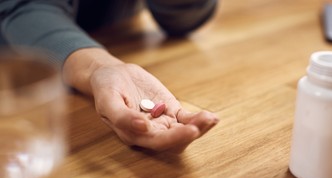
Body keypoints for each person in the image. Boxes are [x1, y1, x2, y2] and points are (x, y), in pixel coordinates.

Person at [0, 0, 219, 153]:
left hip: (123, 33)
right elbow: (22, 8)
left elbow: (186, 18)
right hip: (22, 57)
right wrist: (97, 67)